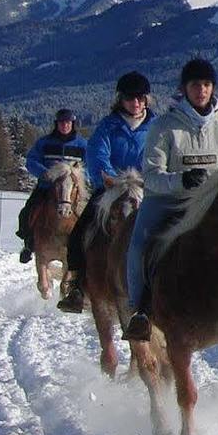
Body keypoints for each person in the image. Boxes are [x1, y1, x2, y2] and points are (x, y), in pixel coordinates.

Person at [124, 58, 218, 339]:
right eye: (195, 84)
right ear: (185, 88)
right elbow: (150, 175)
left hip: (212, 204)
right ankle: (140, 309)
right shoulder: (163, 126)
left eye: (207, 84)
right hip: (166, 201)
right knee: (139, 245)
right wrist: (181, 180)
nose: (202, 90)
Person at [57, 71, 153, 313]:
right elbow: (97, 155)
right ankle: (77, 285)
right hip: (111, 188)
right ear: (121, 99)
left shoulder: (155, 126)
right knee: (80, 231)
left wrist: (145, 179)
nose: (136, 103)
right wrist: (114, 180)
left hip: (146, 188)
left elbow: (159, 155)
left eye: (140, 98)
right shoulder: (108, 126)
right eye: (131, 98)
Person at [16, 108, 88, 261]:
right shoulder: (44, 142)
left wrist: (79, 177)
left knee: (89, 214)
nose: (65, 126)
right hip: (47, 187)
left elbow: (90, 165)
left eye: (68, 123)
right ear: (57, 124)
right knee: (28, 210)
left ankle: (86, 245)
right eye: (62, 123)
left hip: (73, 190)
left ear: (73, 124)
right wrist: (44, 173)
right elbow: (32, 161)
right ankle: (29, 243)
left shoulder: (82, 144)